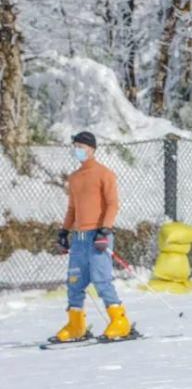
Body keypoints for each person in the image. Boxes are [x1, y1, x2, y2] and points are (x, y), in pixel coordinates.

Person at [51, 131, 134, 343]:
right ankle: (76, 325)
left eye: (82, 146)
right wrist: (64, 232)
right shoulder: (75, 178)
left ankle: (120, 322)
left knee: (101, 279)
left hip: (97, 234)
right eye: (75, 146)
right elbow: (72, 208)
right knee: (74, 281)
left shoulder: (104, 174)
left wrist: (105, 230)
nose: (77, 150)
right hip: (78, 237)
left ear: (92, 149)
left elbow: (112, 204)